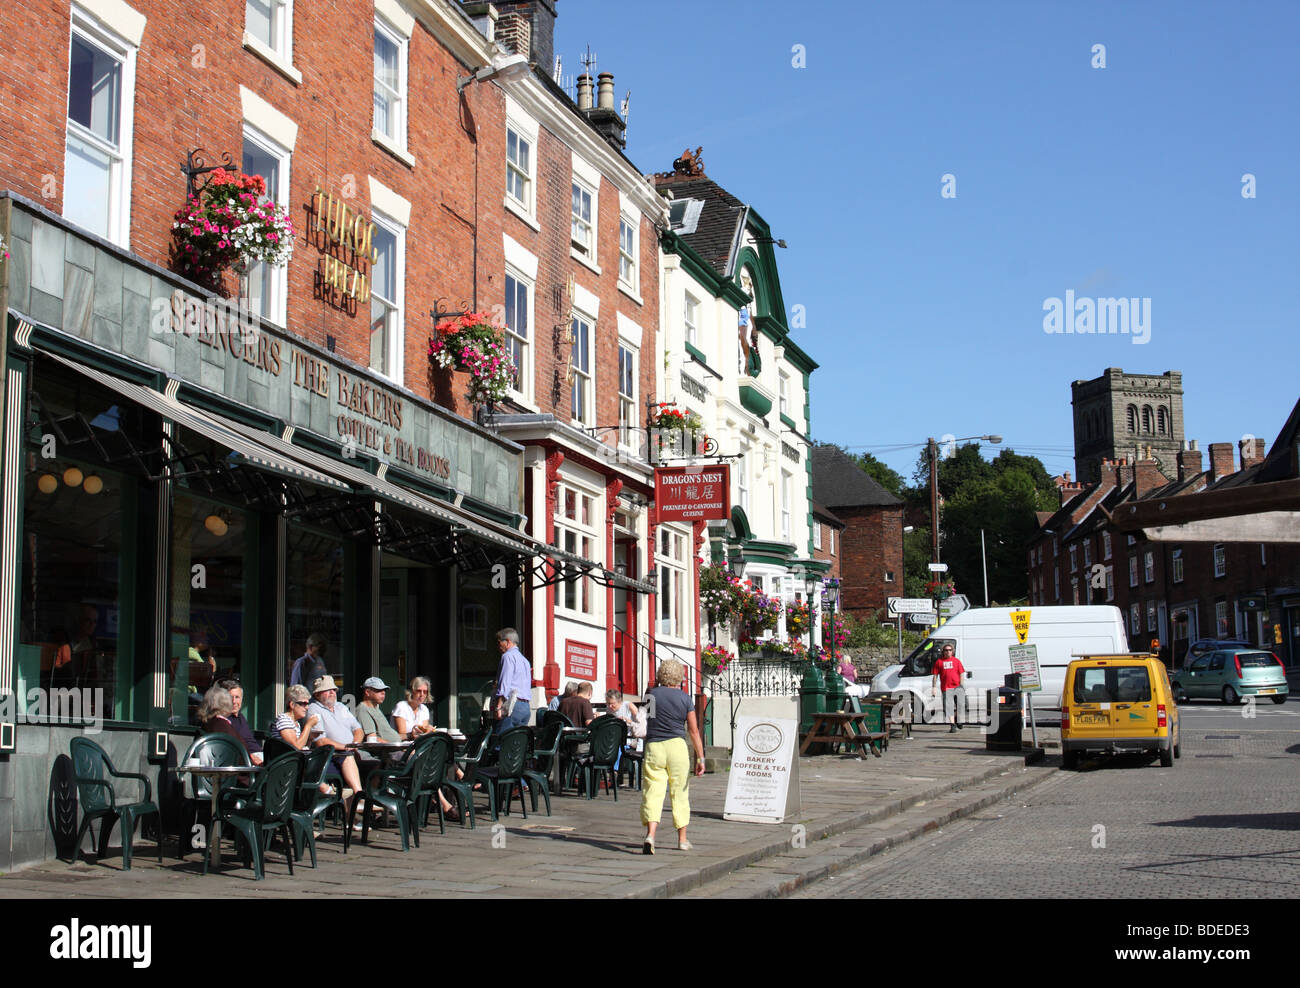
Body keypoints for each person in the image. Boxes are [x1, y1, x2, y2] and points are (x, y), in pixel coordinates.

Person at [640, 659, 705, 855]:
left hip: (654, 745)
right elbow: (693, 730)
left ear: (661, 674)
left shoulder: (651, 695)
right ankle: (682, 839)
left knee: (653, 790)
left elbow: (647, 720)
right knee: (680, 792)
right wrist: (700, 757)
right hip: (677, 746)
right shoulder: (685, 698)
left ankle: (651, 835)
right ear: (680, 677)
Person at [307, 675, 365, 821]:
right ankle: (359, 798)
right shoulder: (314, 709)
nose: (332, 692)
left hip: (352, 751)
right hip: (329, 756)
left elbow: (358, 729)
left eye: (333, 689)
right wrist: (346, 747)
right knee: (348, 757)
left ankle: (352, 816)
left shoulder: (341, 707)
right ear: (317, 695)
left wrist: (354, 744)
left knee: (376, 764)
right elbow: (321, 742)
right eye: (327, 690)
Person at [271, 684, 333, 795]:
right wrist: (308, 726)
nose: (307, 707)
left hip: (293, 763)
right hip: (283, 764)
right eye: (303, 704)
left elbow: (300, 748)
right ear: (292, 704)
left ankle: (324, 790)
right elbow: (295, 746)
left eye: (307, 703)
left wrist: (310, 739)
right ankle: (326, 790)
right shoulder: (284, 719)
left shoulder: (296, 723)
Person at [492, 628, 532, 734]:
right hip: (525, 708)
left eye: (499, 642)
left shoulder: (507, 656)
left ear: (508, 641)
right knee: (516, 742)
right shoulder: (525, 661)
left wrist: (498, 707)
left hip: (511, 705)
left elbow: (505, 683)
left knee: (501, 740)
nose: (498, 646)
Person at [215, 678, 263, 765]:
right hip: (245, 760)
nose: (234, 701)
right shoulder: (222, 720)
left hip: (258, 755)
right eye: (230, 697)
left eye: (237, 697)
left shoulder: (241, 717)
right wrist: (251, 758)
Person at [931, 643, 967, 732]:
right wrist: (934, 687)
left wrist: (961, 685)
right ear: (943, 651)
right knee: (948, 708)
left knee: (962, 705)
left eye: (950, 650)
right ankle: (952, 725)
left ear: (952, 651)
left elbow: (961, 674)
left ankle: (958, 719)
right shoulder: (939, 662)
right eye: (946, 650)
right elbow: (935, 676)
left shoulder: (956, 661)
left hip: (957, 687)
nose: (948, 652)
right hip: (946, 688)